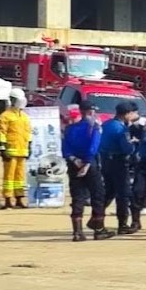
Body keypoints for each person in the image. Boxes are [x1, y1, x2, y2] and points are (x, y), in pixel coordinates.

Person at [62, 101, 114, 241]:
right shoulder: (94, 128)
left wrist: (74, 160)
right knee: (98, 195)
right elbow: (93, 147)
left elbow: (65, 149)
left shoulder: (70, 128)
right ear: (91, 112)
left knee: (77, 197)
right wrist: (86, 163)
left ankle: (77, 232)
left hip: (74, 164)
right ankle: (99, 229)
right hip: (90, 165)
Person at [99, 102, 139, 234]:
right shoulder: (122, 129)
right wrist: (133, 144)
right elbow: (127, 149)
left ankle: (97, 217)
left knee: (109, 191)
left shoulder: (106, 124)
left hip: (105, 161)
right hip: (119, 162)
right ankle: (122, 224)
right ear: (127, 114)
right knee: (123, 193)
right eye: (133, 113)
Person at [0, 88, 31, 209]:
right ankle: (7, 199)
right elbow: (2, 133)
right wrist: (3, 149)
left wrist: (30, 146)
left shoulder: (25, 117)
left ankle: (19, 198)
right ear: (13, 100)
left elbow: (28, 133)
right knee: (9, 177)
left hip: (22, 150)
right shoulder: (5, 116)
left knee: (20, 177)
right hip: (10, 151)